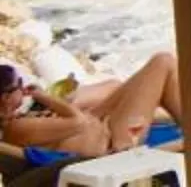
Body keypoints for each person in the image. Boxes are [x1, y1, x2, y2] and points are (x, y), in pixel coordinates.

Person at [0, 50, 178, 160]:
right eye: (19, 84)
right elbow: (79, 123)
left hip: (105, 126)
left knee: (129, 82)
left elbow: (75, 125)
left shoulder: (17, 122)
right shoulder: (17, 127)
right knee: (163, 62)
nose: (23, 88)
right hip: (117, 144)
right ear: (5, 98)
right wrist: (44, 97)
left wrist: (56, 104)